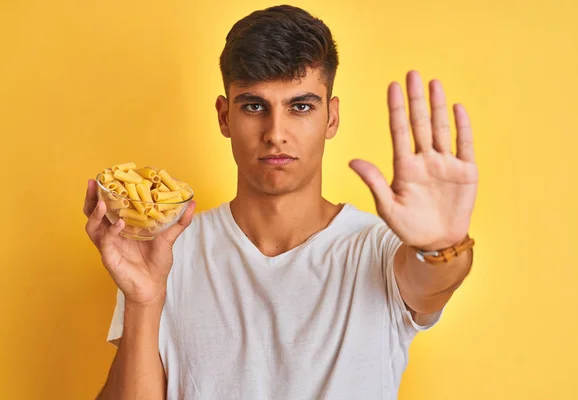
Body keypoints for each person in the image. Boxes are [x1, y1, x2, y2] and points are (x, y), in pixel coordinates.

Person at [84, 5, 478, 399]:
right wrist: (144, 301)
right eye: (254, 106)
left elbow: (431, 283)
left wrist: (442, 246)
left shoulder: (376, 250)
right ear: (224, 117)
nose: (276, 133)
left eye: (301, 106)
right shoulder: (168, 250)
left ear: (331, 117)